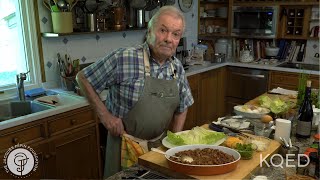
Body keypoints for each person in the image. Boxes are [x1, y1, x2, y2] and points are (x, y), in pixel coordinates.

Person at [76, 5, 194, 178]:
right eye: (163, 30)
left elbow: (183, 106)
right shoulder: (124, 58)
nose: (169, 39)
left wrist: (173, 143)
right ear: (149, 30)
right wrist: (105, 117)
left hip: (158, 150)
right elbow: (82, 78)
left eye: (175, 34)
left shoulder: (176, 68)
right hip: (124, 147)